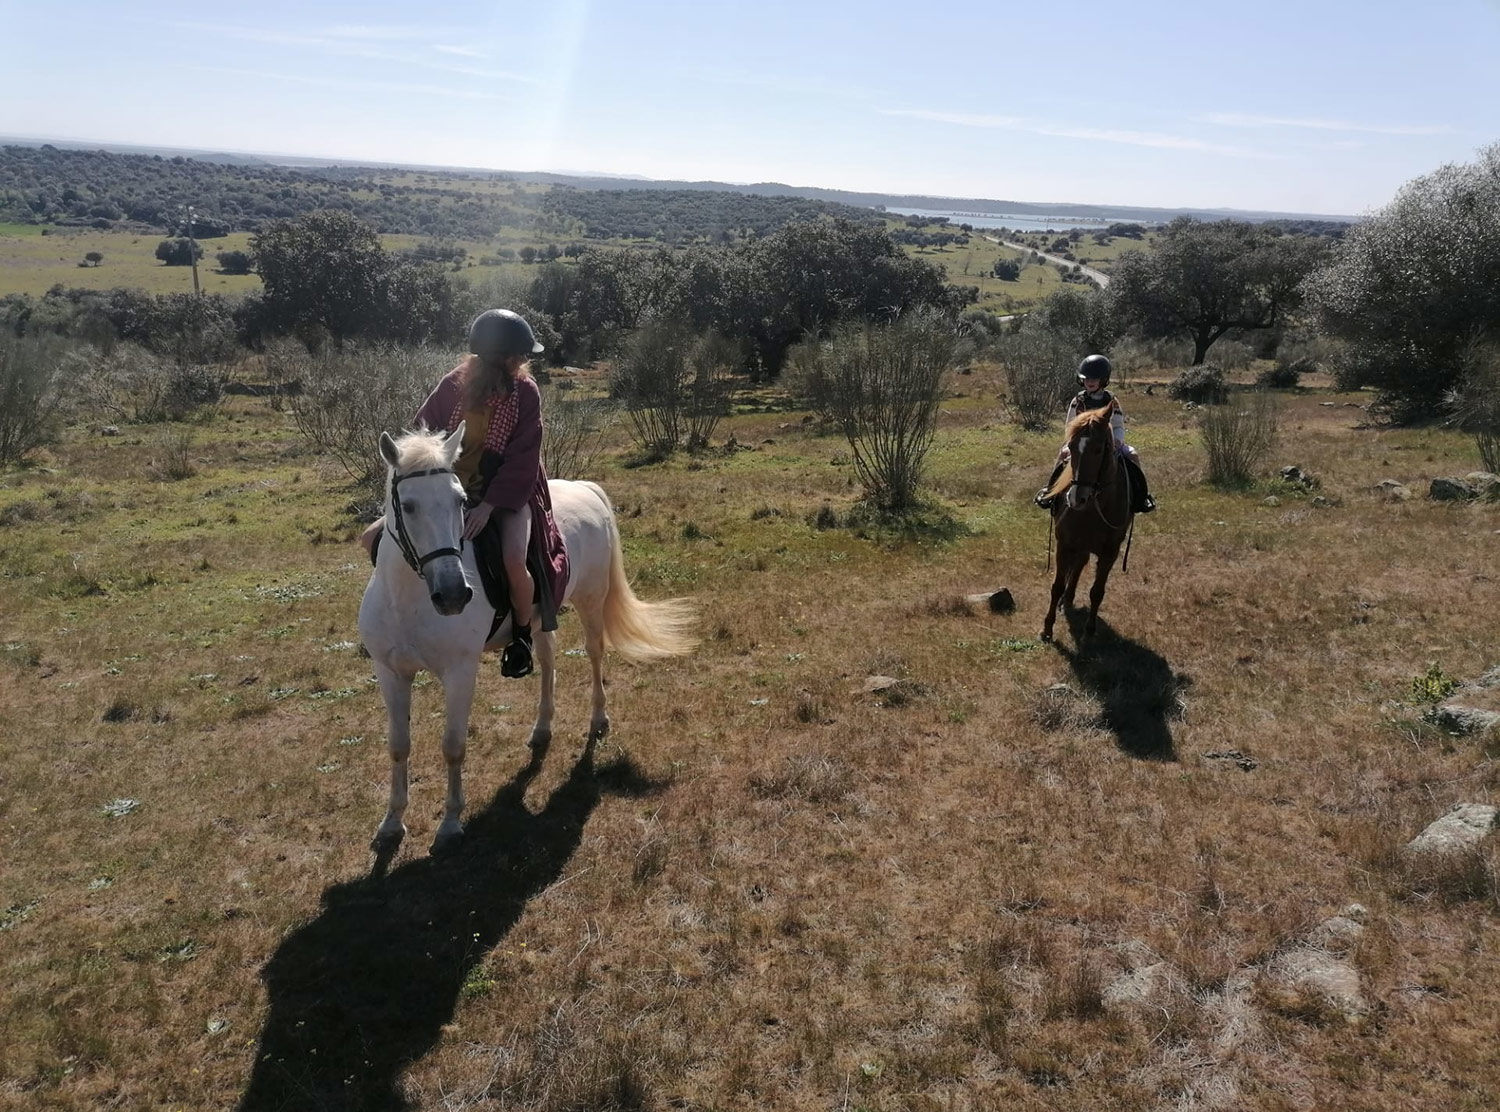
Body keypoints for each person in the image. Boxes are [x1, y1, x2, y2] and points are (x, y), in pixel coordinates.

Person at [361, 309, 569, 677]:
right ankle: (396, 620)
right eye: (517, 355)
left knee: (513, 560)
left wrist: (489, 506)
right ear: (498, 358)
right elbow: (422, 436)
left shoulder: (525, 393)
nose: (522, 361)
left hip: (506, 493)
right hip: (449, 491)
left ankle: (520, 638)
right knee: (370, 538)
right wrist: (432, 481)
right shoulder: (452, 385)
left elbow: (524, 457)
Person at [1033, 354, 1155, 513]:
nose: (1089, 382)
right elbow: (1070, 424)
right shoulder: (1078, 400)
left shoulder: (1112, 400)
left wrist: (1118, 441)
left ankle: (1141, 497)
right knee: (1063, 455)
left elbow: (1118, 425)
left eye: (1094, 379)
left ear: (1103, 380)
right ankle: (1050, 492)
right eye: (1086, 378)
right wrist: (1070, 443)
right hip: (1081, 444)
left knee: (1132, 455)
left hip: (1107, 443)